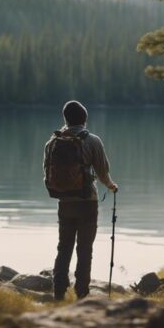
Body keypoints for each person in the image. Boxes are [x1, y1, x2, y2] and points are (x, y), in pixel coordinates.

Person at [43, 100, 118, 300]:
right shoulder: (92, 140)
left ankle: (58, 291)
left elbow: (46, 173)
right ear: (84, 119)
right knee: (85, 248)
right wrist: (112, 187)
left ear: (65, 119)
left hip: (64, 201)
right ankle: (82, 292)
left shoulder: (53, 142)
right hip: (87, 202)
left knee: (64, 246)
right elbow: (103, 173)